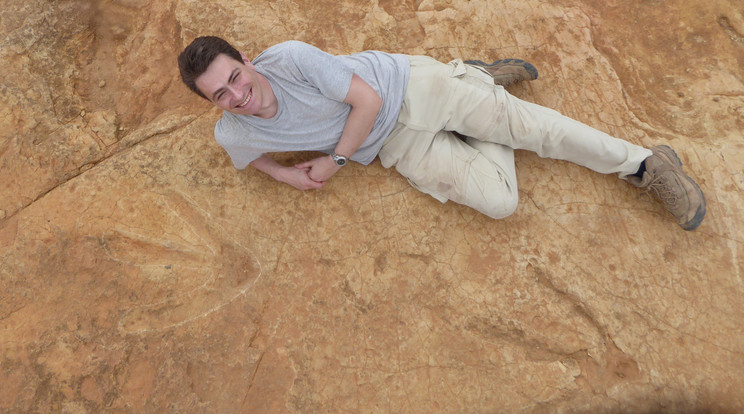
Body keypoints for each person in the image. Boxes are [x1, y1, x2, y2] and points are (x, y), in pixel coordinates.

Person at [177, 36, 706, 230]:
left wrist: (334, 161)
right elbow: (247, 157)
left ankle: (645, 164)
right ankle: (483, 84)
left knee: (535, 131)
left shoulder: (291, 58)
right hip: (393, 145)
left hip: (410, 88)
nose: (237, 95)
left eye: (235, 77)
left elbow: (368, 100)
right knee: (499, 202)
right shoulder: (233, 131)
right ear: (212, 105)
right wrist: (286, 177)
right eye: (220, 94)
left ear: (246, 59)